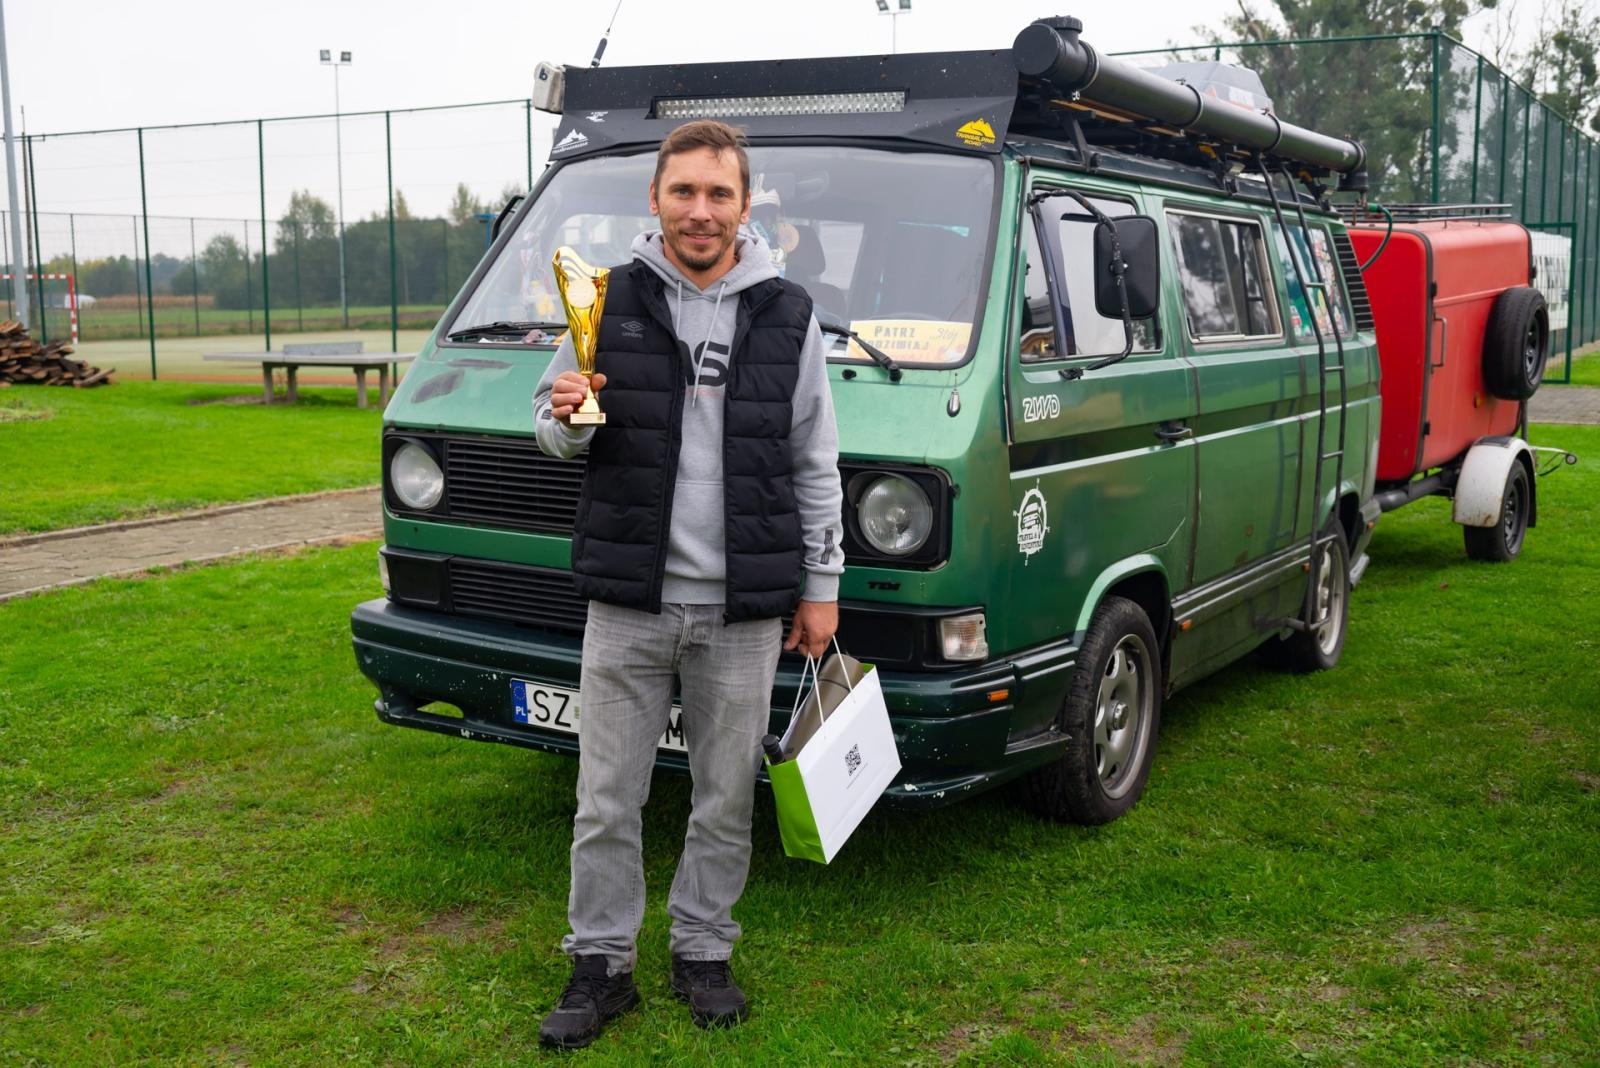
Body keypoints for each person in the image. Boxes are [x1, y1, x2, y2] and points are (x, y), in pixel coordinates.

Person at [531, 119, 844, 1050]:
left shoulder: (788, 314)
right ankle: (601, 966)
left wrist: (820, 585)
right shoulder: (604, 301)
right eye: (683, 192)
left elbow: (813, 458)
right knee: (605, 796)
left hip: (741, 609)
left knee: (720, 794)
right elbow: (553, 434)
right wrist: (568, 418)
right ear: (656, 199)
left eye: (718, 194)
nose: (699, 211)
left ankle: (703, 951)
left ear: (745, 207)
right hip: (629, 601)